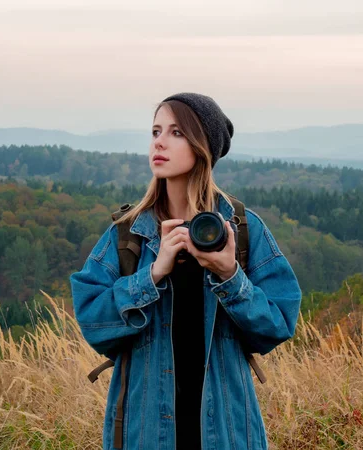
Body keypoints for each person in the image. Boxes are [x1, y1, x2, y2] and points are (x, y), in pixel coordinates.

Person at [70, 93, 302, 449]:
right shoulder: (129, 233)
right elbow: (92, 322)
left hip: (225, 433)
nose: (159, 142)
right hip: (145, 433)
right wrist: (152, 275)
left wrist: (230, 276)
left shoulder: (241, 229)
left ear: (202, 147)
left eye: (176, 133)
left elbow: (279, 324)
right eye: (155, 131)